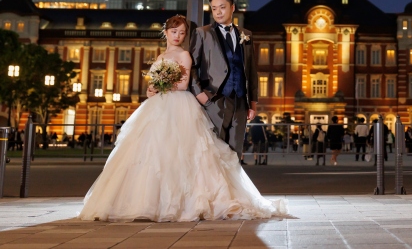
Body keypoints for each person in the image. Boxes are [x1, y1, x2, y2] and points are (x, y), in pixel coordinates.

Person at [78, 15, 288, 222]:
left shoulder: (185, 55)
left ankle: (181, 202)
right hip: (158, 105)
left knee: (185, 151)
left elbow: (184, 84)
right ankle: (146, 202)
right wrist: (152, 89)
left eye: (181, 33)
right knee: (152, 150)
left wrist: (163, 84)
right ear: (166, 32)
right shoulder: (160, 57)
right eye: (174, 31)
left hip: (179, 104)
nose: (177, 36)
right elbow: (152, 85)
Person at [190, 0, 259, 166]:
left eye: (222, 7)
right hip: (214, 100)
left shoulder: (246, 35)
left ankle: (232, 183)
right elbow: (192, 67)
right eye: (214, 8)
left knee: (235, 153)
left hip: (240, 101)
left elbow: (251, 70)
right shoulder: (202, 33)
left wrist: (252, 102)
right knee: (214, 152)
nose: (218, 12)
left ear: (232, 7)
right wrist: (200, 94)